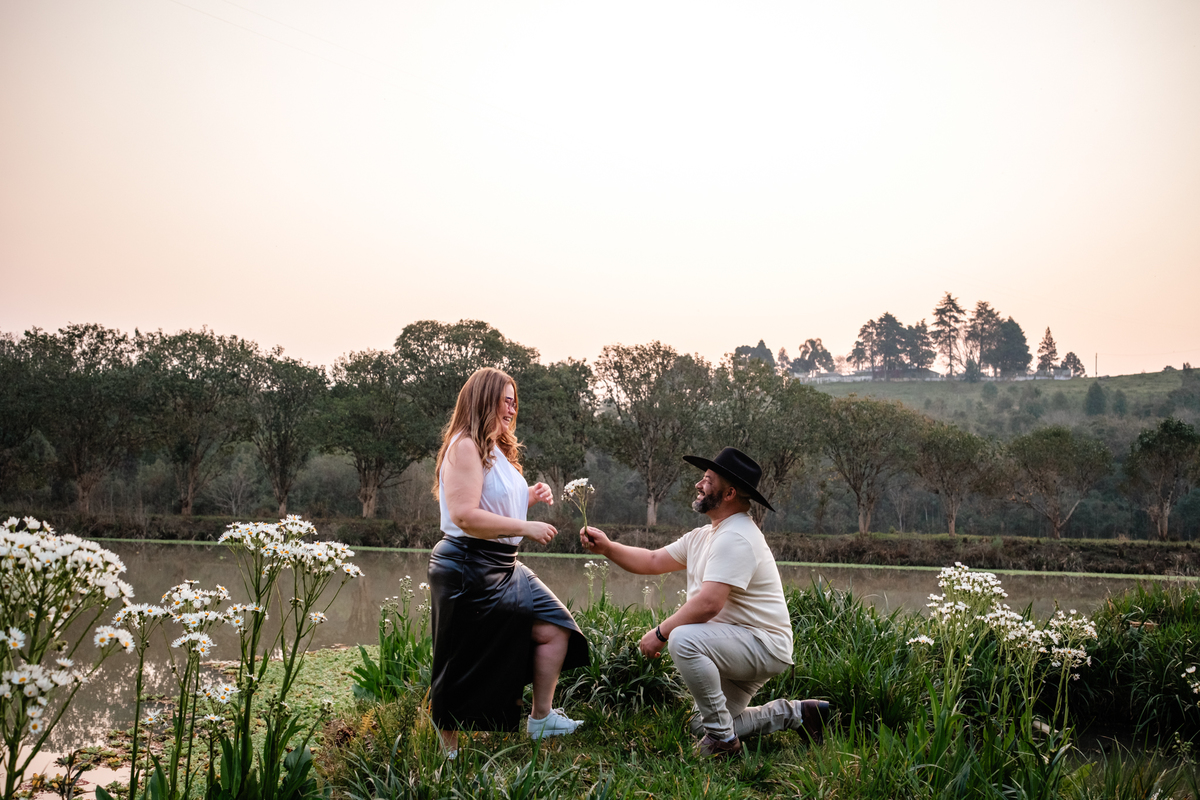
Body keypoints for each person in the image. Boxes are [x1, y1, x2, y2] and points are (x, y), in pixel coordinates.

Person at [580, 447, 830, 757]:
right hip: (737, 643)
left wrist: (660, 634)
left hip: (761, 645)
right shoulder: (704, 535)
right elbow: (654, 560)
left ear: (729, 493)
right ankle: (800, 714)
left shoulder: (736, 536)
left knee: (682, 638)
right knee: (704, 723)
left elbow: (709, 603)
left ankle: (724, 744)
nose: (699, 484)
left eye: (708, 480)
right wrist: (607, 548)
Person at [428, 367, 589, 758]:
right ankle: (446, 745)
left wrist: (527, 496)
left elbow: (489, 500)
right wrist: (525, 525)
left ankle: (541, 718)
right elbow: (465, 515)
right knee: (460, 654)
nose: (513, 408)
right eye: (506, 399)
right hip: (469, 564)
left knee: (556, 627)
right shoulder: (464, 445)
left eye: (515, 400)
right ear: (484, 399)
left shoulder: (494, 448)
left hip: (503, 562)